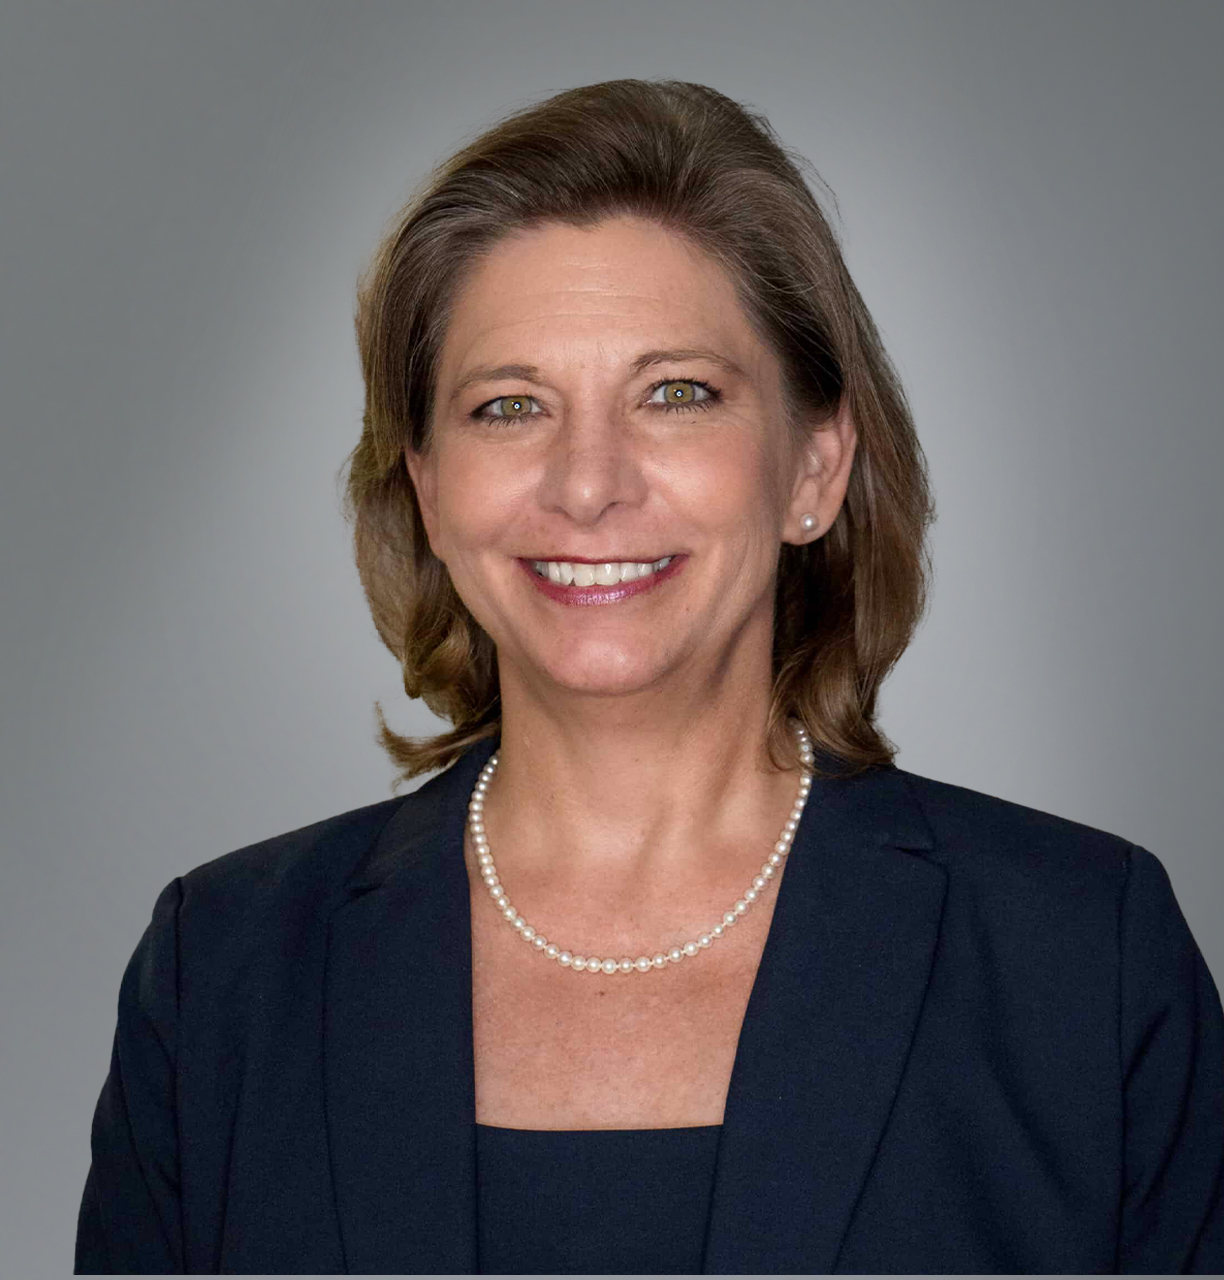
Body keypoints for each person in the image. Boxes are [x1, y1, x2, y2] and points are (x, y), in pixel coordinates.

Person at [75, 77, 1224, 1275]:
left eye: (676, 394)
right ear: (428, 488)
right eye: (509, 406)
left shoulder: (1082, 961)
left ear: (814, 467)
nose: (588, 484)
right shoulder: (222, 974)